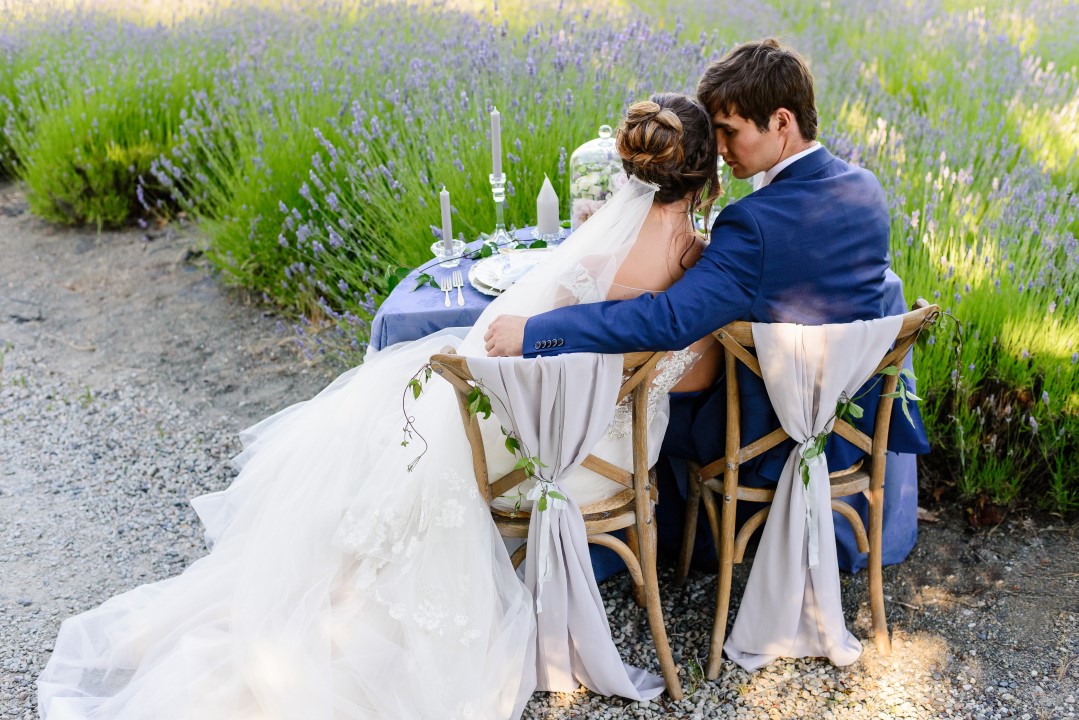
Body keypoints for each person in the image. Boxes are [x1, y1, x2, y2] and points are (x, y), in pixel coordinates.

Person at [38, 94, 723, 719]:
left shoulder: (589, 259)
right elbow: (688, 382)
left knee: (403, 437)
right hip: (605, 465)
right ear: (703, 179)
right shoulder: (697, 268)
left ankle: (326, 602)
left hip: (543, 458)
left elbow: (499, 346)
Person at [484, 38, 929, 571]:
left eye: (730, 130)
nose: (718, 148)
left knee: (642, 397)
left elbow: (666, 319)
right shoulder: (866, 190)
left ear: (781, 122)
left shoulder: (754, 223)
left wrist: (536, 331)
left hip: (768, 439)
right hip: (850, 429)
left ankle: (660, 544)